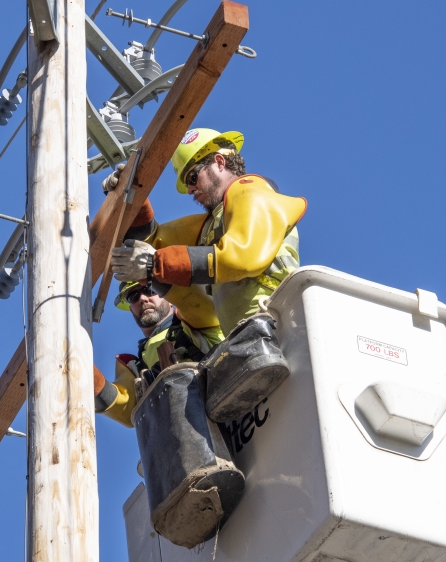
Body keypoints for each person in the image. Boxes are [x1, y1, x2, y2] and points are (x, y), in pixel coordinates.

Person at [108, 128, 307, 422]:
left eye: (192, 177)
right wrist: (132, 199)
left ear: (219, 162)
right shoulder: (214, 220)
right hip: (250, 339)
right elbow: (158, 240)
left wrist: (154, 264)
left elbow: (243, 255)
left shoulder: (250, 190)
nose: (190, 189)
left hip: (279, 328)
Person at [93, 281, 224, 428]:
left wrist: (155, 271)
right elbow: (124, 408)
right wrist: (84, 374)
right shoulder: (137, 366)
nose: (142, 299)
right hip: (185, 435)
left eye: (149, 290)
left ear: (169, 299)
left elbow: (194, 301)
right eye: (133, 296)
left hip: (227, 403)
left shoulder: (193, 320)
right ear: (131, 310)